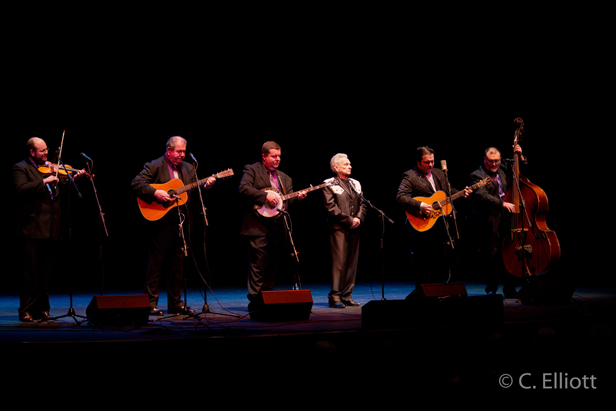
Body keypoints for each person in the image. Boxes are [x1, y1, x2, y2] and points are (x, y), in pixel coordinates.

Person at [131, 136, 215, 316]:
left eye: (184, 151)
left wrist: (205, 186)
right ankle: (150, 303)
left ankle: (175, 303)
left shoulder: (189, 168)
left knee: (177, 266)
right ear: (168, 151)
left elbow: (192, 190)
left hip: (181, 222)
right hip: (160, 223)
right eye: (179, 151)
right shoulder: (155, 165)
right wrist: (155, 192)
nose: (182, 155)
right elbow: (136, 183)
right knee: (156, 266)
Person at [11, 137, 85, 322]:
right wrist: (44, 181)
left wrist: (73, 180)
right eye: (42, 151)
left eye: (46, 149)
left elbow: (62, 187)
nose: (46, 153)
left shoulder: (50, 168)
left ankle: (42, 309)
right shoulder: (20, 168)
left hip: (52, 227)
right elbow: (20, 189)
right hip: (32, 228)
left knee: (46, 273)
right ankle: (25, 310)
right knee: (30, 272)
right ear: (32, 152)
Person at [238, 141, 307, 303]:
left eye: (279, 156)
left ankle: (266, 298)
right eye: (274, 156)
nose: (277, 159)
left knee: (272, 264)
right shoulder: (252, 170)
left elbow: (287, 203)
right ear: (264, 156)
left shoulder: (285, 178)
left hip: (278, 227)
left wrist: (298, 198)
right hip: (257, 226)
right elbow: (243, 188)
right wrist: (265, 196)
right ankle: (255, 301)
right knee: (258, 264)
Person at [396, 146, 471, 287]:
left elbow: (448, 192)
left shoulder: (439, 173)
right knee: (423, 262)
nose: (430, 165)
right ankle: (422, 293)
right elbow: (401, 197)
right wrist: (420, 205)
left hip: (439, 224)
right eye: (426, 162)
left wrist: (461, 193)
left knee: (439, 260)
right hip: (421, 224)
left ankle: (437, 292)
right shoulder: (410, 176)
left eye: (432, 161)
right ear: (418, 162)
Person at [468, 144, 525, 298]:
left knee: (510, 253)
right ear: (484, 160)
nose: (494, 164)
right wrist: (502, 203)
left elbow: (521, 174)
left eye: (497, 161)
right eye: (490, 161)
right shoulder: (477, 175)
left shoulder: (505, 168)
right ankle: (492, 289)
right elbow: (482, 195)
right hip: (488, 222)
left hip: (508, 219)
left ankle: (510, 289)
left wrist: (520, 157)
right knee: (491, 258)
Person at [322, 154, 367, 308]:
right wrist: (349, 220)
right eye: (346, 164)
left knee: (352, 263)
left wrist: (359, 218)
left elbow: (363, 204)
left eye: (349, 164)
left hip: (355, 228)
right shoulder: (328, 184)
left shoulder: (355, 183)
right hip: (339, 228)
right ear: (336, 167)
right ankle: (335, 296)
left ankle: (347, 295)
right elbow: (330, 207)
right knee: (339, 263)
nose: (350, 166)